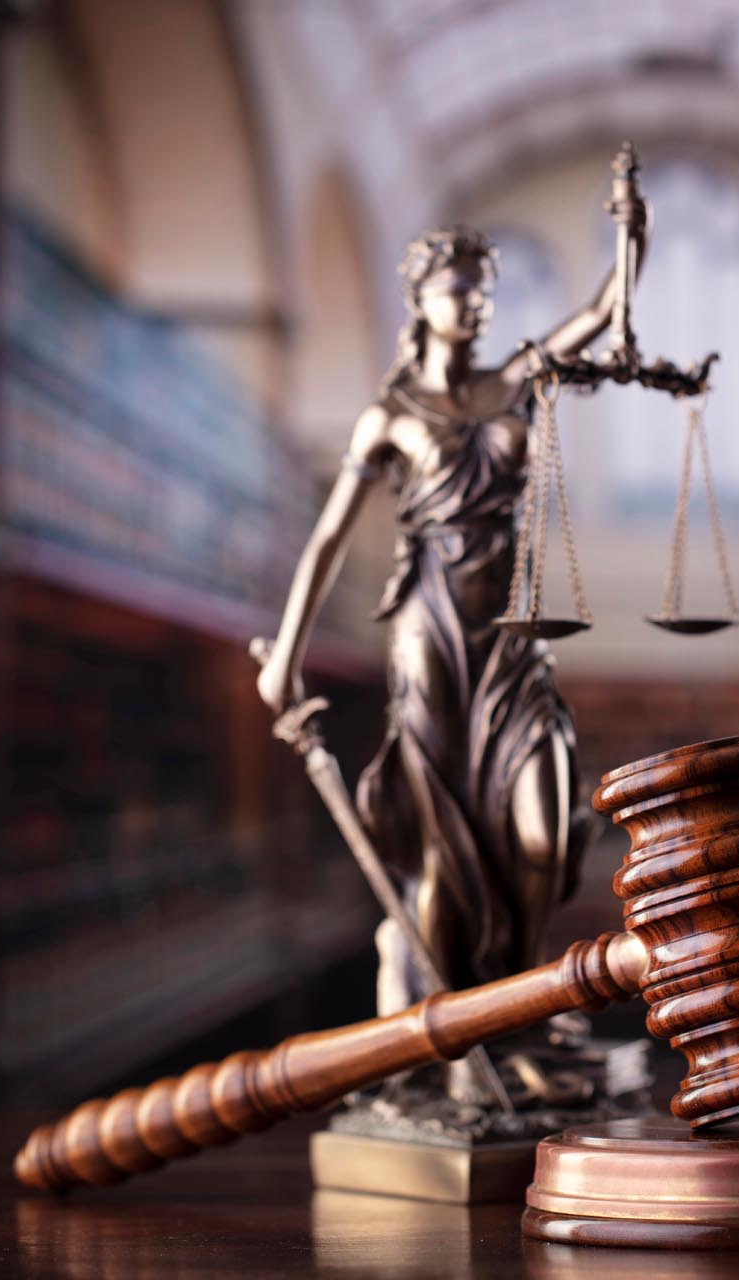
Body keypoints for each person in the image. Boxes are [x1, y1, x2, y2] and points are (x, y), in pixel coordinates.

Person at [256, 207, 648, 1037]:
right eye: (460, 289)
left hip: (511, 636)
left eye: (486, 291)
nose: (476, 304)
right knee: (443, 851)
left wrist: (630, 229)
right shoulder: (389, 415)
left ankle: (520, 1004)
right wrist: (284, 656)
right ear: (421, 299)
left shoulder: (511, 382)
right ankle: (459, 1033)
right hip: (429, 629)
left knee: (542, 836)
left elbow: (607, 306)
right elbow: (328, 535)